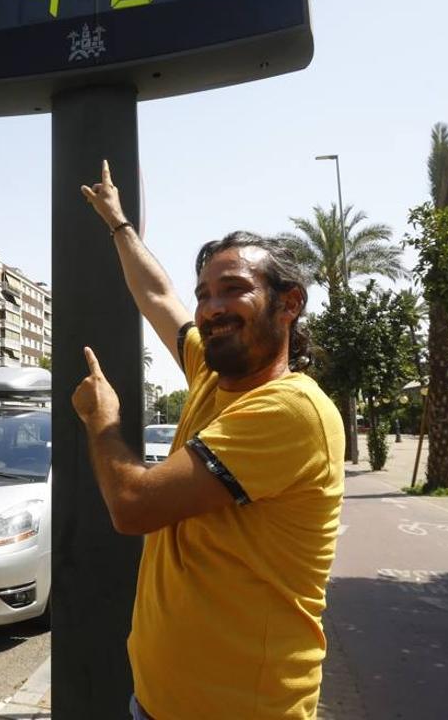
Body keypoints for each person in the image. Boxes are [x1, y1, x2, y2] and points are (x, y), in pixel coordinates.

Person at [73, 160, 345, 719]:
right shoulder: (210, 375)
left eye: (234, 290)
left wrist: (102, 421)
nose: (212, 308)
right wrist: (119, 224)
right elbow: (159, 295)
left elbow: (133, 505)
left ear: (289, 303)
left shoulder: (291, 409)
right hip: (158, 701)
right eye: (207, 294)